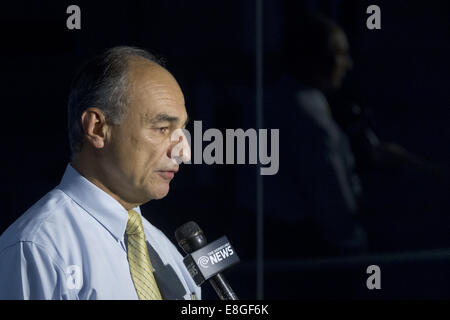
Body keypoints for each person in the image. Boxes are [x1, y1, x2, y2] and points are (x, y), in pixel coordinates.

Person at [0, 46, 198, 299]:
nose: (183, 152)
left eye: (181, 130)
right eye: (162, 128)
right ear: (97, 128)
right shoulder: (37, 249)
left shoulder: (166, 251)